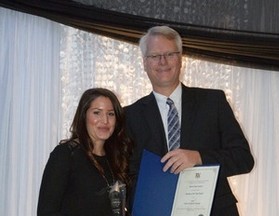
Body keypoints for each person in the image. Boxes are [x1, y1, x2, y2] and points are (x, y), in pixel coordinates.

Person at [124, 26, 254, 215]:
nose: (163, 61)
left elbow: (243, 158)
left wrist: (198, 157)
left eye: (170, 54)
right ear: (144, 62)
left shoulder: (213, 102)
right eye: (154, 56)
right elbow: (126, 174)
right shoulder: (129, 115)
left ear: (181, 58)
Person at [37, 88, 132, 216]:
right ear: (84, 115)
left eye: (111, 114)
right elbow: (46, 212)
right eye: (97, 113)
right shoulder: (65, 154)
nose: (105, 120)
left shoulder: (118, 157)